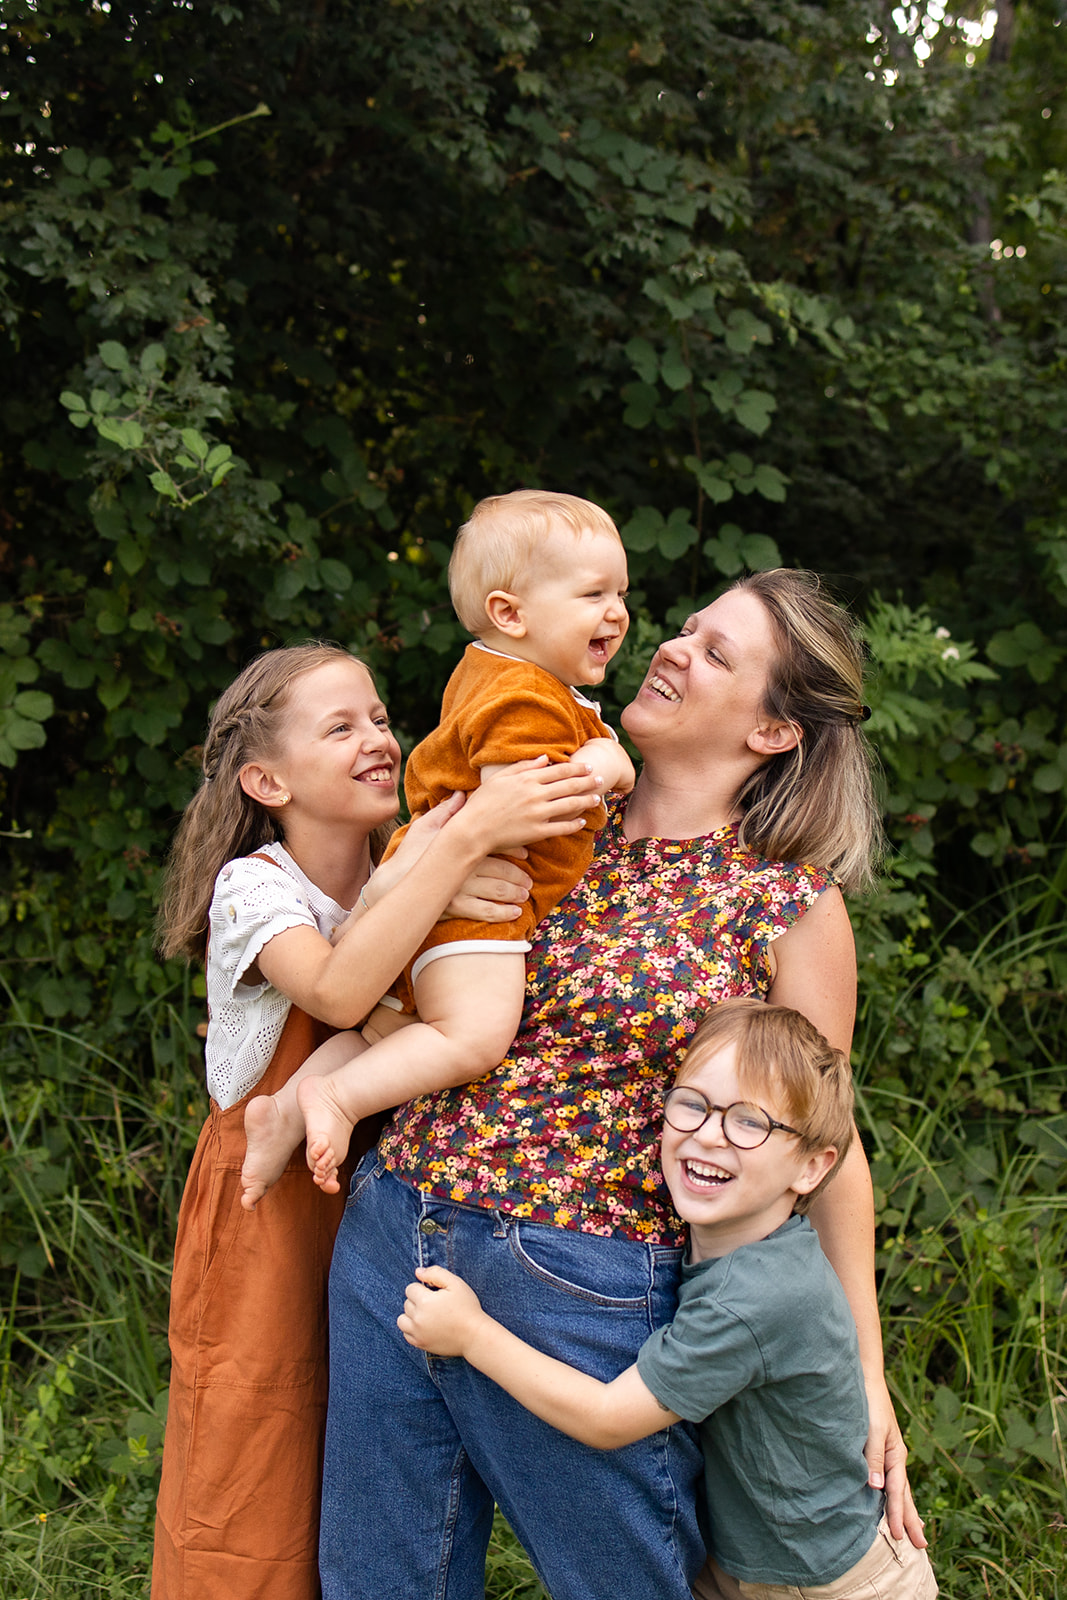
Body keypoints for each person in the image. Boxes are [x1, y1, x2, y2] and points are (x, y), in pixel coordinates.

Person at [319, 568, 927, 1600]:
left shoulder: (779, 897)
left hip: (579, 1278)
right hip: (393, 1228)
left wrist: (863, 1374)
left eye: (716, 651)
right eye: (685, 627)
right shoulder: (532, 801)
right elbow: (380, 982)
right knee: (380, 1582)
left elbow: (826, 1146)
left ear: (773, 732)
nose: (672, 647)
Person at [150, 641, 600, 1600]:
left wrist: (443, 863)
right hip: (264, 1199)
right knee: (253, 1449)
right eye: (340, 726)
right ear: (267, 779)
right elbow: (345, 988)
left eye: (381, 719)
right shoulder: (257, 887)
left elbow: (435, 1017)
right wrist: (459, 850)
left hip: (378, 1187)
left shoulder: (408, 857)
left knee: (363, 1465)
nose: (378, 739)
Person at [399, 998, 938, 1600]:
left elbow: (608, 1419)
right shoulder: (742, 1245)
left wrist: (472, 1335)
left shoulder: (757, 1295)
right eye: (692, 1105)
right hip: (753, 1565)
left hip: (833, 1586)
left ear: (811, 1167)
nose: (708, 1135)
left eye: (750, 1122)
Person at [239, 490, 634, 1207]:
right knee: (474, 1037)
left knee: (396, 1029)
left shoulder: (507, 677)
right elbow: (524, 805)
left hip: (446, 915)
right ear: (509, 613)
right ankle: (336, 1095)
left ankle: (289, 1107)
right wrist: (607, 766)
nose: (616, 612)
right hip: (480, 917)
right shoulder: (523, 694)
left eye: (619, 593)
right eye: (592, 594)